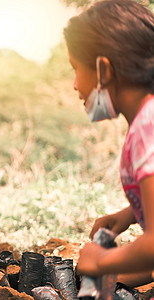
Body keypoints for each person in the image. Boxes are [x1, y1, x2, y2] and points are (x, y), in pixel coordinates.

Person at [64, 0, 154, 287]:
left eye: (76, 68)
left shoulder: (146, 129)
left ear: (104, 69)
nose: (76, 84)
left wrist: (100, 261)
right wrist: (128, 214)